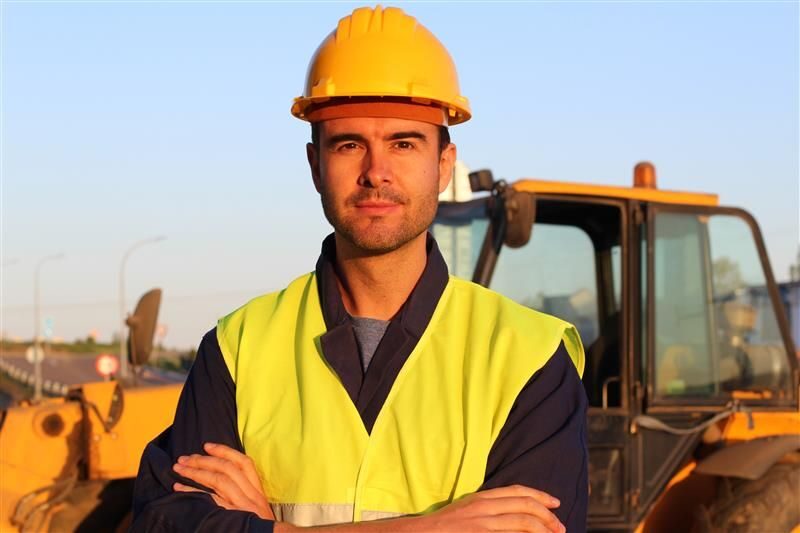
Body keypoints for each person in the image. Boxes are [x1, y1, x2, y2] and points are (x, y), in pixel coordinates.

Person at [132, 5, 588, 532]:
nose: (376, 172)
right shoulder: (238, 349)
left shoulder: (528, 357)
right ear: (314, 166)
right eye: (350, 145)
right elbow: (167, 524)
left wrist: (266, 527)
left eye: (403, 143)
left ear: (443, 164)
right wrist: (430, 527)